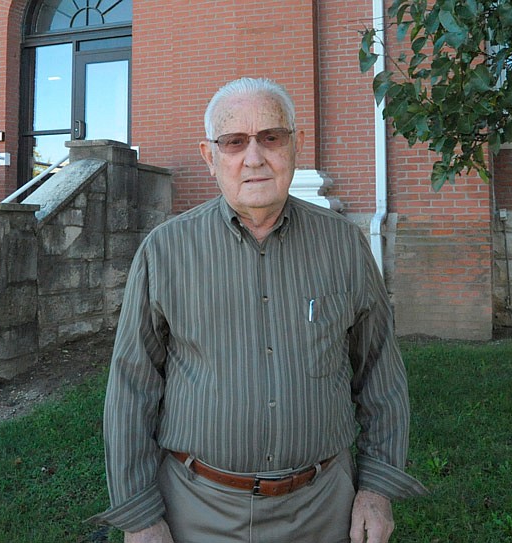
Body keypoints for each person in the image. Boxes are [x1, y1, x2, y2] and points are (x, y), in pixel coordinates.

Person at [91, 77, 426, 543]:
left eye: (271, 137)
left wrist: (376, 488)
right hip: (198, 510)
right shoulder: (164, 252)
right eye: (234, 142)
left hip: (322, 509)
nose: (254, 157)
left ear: (296, 145)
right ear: (210, 157)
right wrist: (141, 517)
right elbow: (132, 388)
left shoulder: (345, 246)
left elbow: (380, 377)